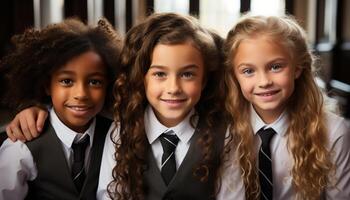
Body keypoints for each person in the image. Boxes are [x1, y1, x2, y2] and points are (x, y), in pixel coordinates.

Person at [5, 13, 245, 200]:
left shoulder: (224, 136)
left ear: (205, 79)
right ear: (141, 77)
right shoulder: (121, 129)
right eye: (160, 74)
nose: (173, 88)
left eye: (188, 75)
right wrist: (34, 107)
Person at [223, 14, 350, 200]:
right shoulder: (222, 129)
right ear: (235, 76)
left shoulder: (332, 131)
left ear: (297, 68)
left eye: (275, 67)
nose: (264, 82)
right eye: (248, 71)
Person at [0, 18, 122, 199]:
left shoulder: (116, 135)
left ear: (109, 85)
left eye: (94, 82)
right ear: (47, 85)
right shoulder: (22, 143)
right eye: (67, 81)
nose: (81, 94)